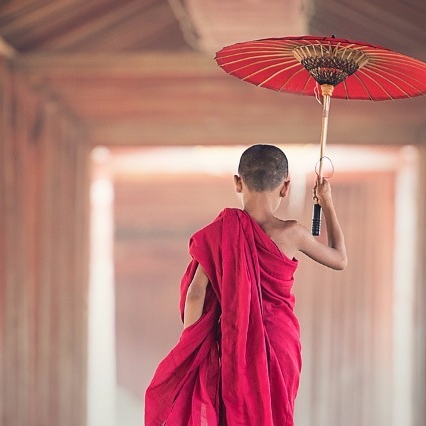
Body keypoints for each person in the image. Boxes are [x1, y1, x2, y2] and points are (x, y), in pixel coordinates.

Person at [144, 144, 348, 426]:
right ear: (285, 186)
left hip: (235, 340)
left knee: (235, 411)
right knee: (275, 412)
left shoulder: (219, 233)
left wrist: (193, 346)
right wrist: (327, 203)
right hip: (281, 342)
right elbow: (339, 259)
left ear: (238, 182)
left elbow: (195, 294)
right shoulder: (292, 233)